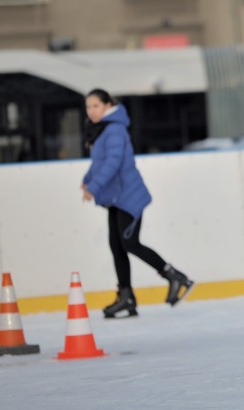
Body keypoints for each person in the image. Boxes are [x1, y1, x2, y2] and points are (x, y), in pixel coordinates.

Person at [81, 89, 194, 318]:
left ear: (108, 105)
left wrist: (93, 187)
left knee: (130, 243)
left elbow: (113, 163)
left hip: (128, 197)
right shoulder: (103, 130)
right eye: (88, 107)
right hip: (115, 199)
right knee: (117, 246)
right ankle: (127, 297)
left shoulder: (114, 129)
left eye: (96, 106)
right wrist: (87, 180)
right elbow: (99, 163)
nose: (91, 111)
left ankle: (175, 276)